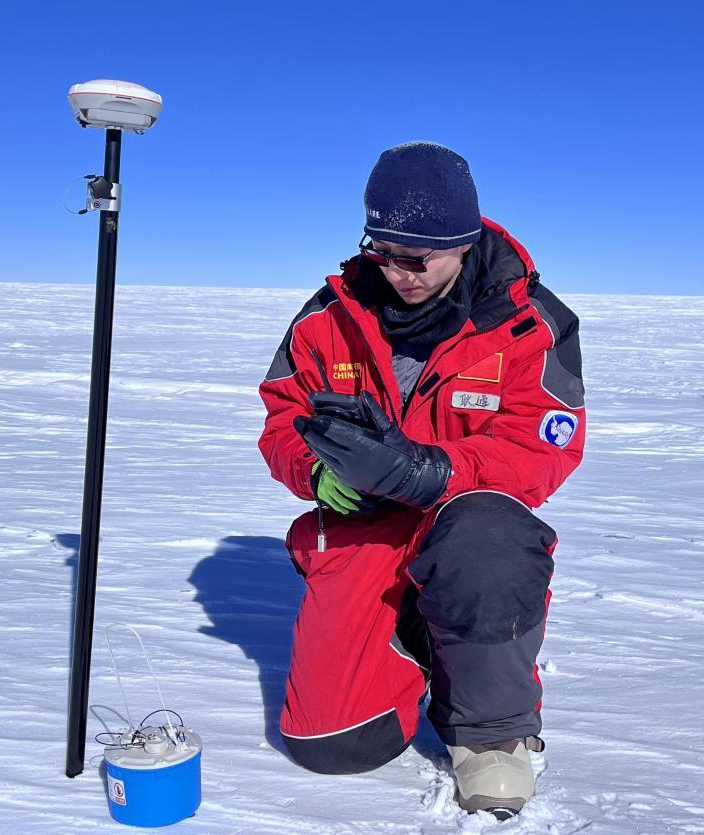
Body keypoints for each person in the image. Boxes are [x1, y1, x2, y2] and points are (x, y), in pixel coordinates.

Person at [257, 142, 586, 819]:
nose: (399, 272)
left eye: (418, 257)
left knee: (489, 540)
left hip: (466, 521)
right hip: (368, 526)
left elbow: (543, 449)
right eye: (383, 251)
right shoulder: (328, 317)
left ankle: (493, 732)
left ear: (463, 244)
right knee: (332, 742)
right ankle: (420, 634)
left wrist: (430, 473)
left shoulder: (528, 321)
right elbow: (282, 420)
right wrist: (316, 473)